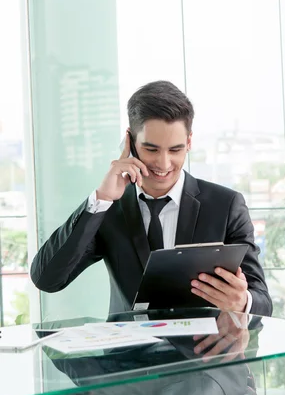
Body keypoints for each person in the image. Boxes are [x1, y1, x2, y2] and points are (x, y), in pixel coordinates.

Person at [31, 81, 272, 317]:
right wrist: (101, 199)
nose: (164, 164)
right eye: (152, 149)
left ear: (189, 142)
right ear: (130, 142)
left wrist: (242, 302)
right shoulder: (108, 209)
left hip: (202, 353)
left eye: (175, 150)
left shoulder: (226, 205)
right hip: (128, 353)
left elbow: (262, 302)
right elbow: (47, 279)